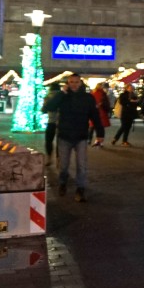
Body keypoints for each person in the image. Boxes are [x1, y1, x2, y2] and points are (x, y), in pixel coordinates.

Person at [56, 74, 101, 202]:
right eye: (71, 82)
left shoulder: (88, 98)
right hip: (64, 136)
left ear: (80, 83)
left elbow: (94, 115)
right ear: (67, 83)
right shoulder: (63, 97)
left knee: (81, 165)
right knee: (63, 165)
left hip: (81, 136)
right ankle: (62, 182)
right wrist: (61, 93)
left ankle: (80, 189)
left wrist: (100, 133)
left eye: (76, 82)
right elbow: (47, 107)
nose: (74, 84)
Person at [42, 83, 64, 160]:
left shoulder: (47, 97)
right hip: (61, 122)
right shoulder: (63, 96)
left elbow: (44, 110)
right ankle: (59, 159)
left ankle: (49, 157)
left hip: (51, 121)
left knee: (48, 141)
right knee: (60, 142)